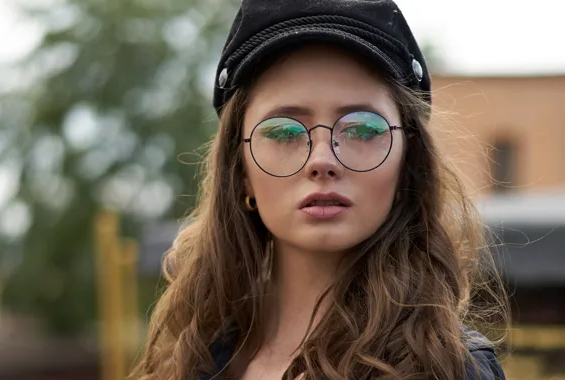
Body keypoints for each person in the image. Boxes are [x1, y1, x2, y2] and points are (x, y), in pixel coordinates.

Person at [131, 0, 509, 379]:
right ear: (239, 169)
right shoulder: (185, 362)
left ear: (407, 164)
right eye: (283, 131)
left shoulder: (452, 368)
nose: (322, 160)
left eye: (363, 128)